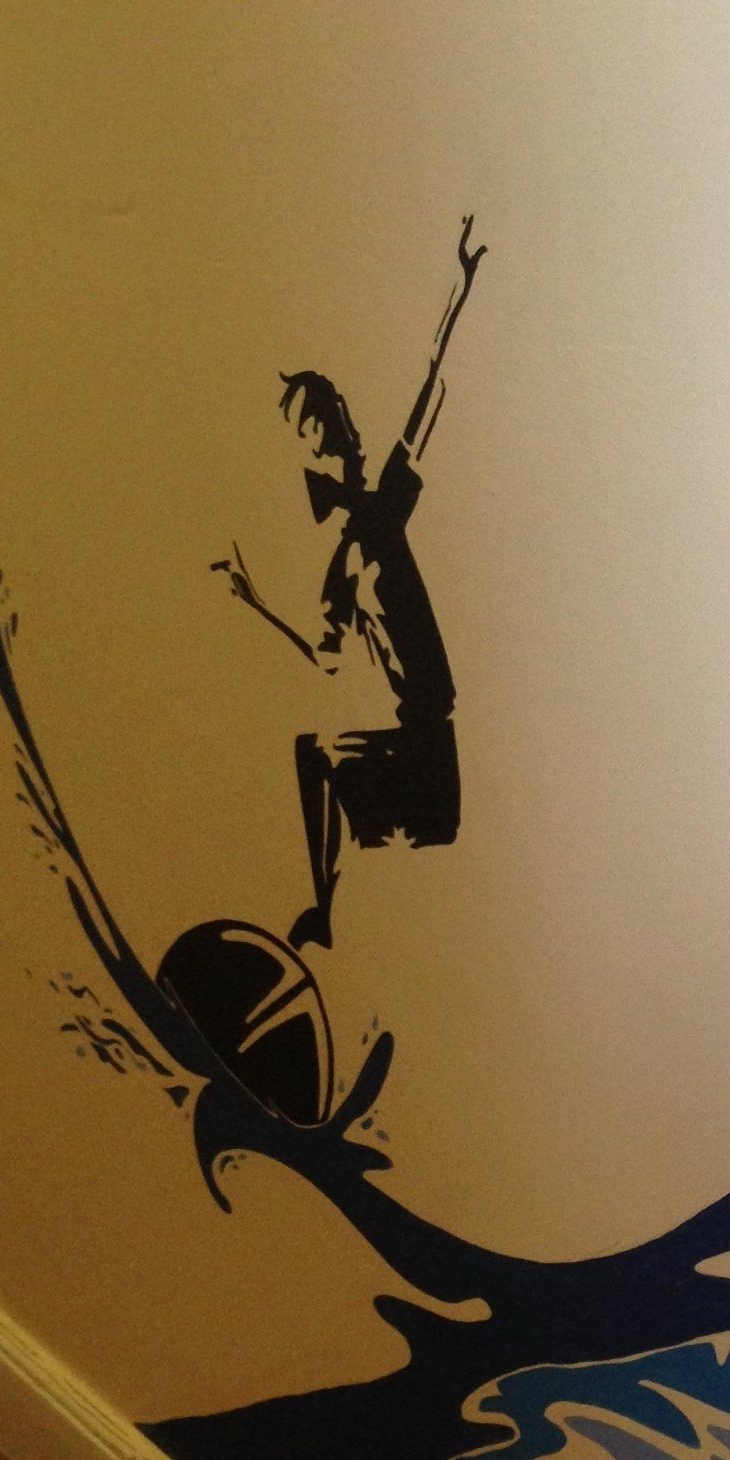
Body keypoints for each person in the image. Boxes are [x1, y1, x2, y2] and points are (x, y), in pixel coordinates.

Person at [216, 218, 487, 950]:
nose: (345, 430)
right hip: (409, 748)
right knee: (316, 752)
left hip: (431, 754)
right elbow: (324, 656)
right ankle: (326, 915)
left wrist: (458, 289)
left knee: (322, 755)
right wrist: (256, 602)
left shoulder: (383, 509)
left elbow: (429, 393)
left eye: (338, 418)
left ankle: (333, 914)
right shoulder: (346, 555)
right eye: (325, 427)